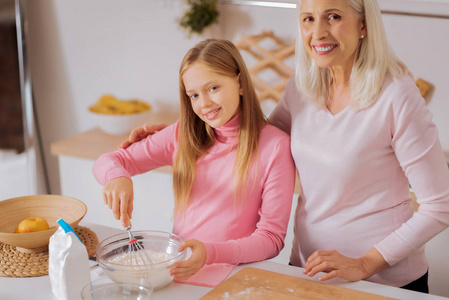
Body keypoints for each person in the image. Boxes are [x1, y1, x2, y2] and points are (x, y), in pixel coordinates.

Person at [119, 0, 449, 293]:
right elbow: (258, 137)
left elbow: (440, 205)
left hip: (381, 282)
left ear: (363, 24)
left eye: (333, 16)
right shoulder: (303, 87)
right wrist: (193, 132)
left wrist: (365, 263)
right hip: (307, 270)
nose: (318, 32)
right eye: (308, 18)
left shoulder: (397, 96)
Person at [93, 39, 296, 281]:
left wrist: (211, 252)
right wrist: (118, 177)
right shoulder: (182, 135)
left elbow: (272, 239)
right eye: (194, 95)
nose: (204, 103)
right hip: (178, 277)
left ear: (240, 83)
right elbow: (109, 160)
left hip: (234, 279)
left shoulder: (274, 146)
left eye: (213, 88)